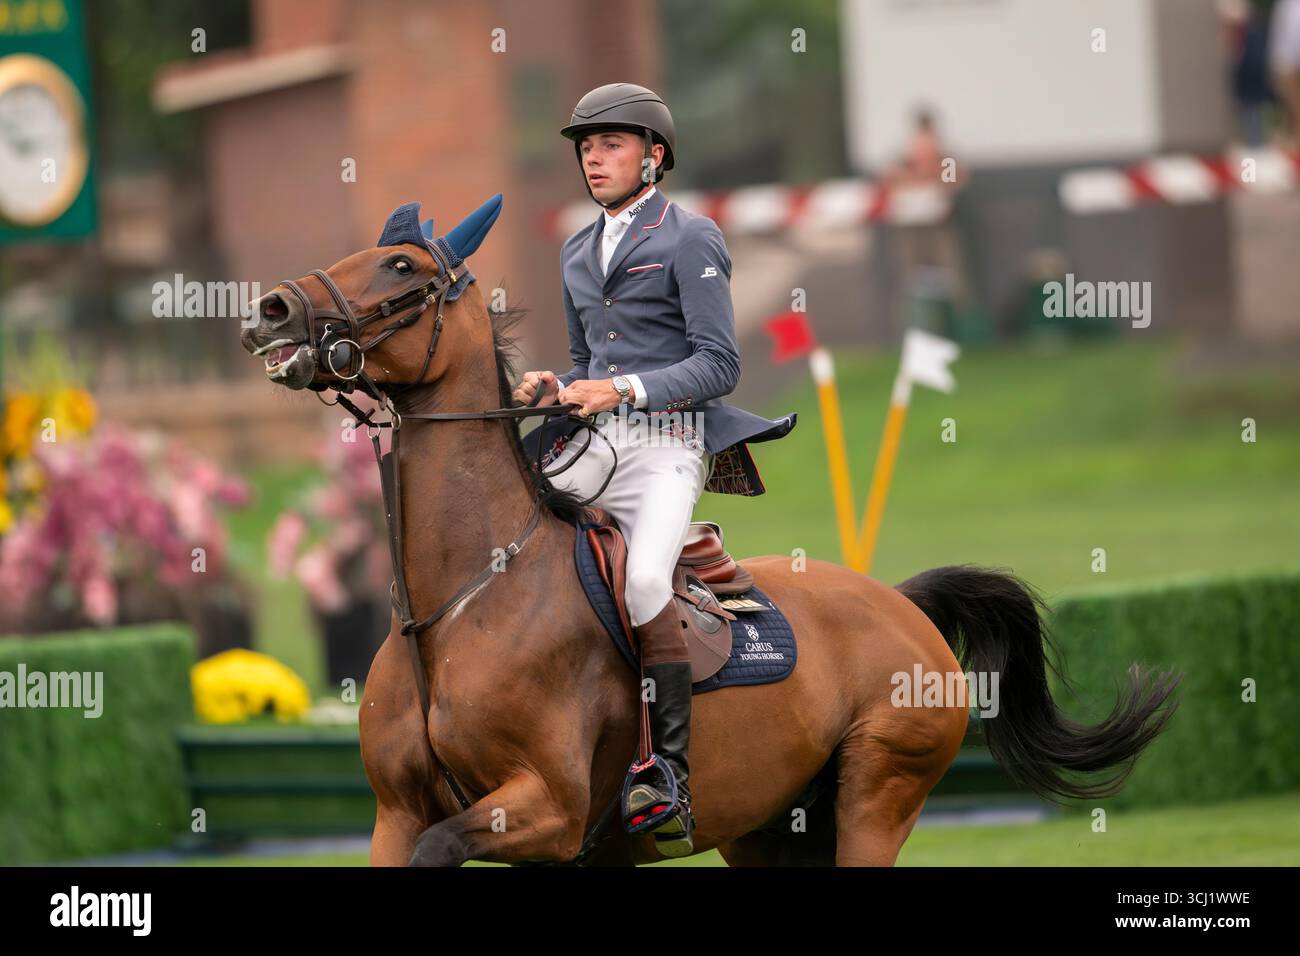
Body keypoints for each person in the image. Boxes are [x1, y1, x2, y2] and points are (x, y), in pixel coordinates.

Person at [514, 82, 795, 856]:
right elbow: (585, 363)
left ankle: (666, 771)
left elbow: (720, 363)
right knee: (514, 540)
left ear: (654, 156)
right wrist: (556, 389)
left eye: (609, 145)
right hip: (597, 441)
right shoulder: (576, 248)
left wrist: (625, 388)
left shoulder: (690, 237)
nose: (592, 158)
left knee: (641, 583)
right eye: (585, 147)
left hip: (670, 444)